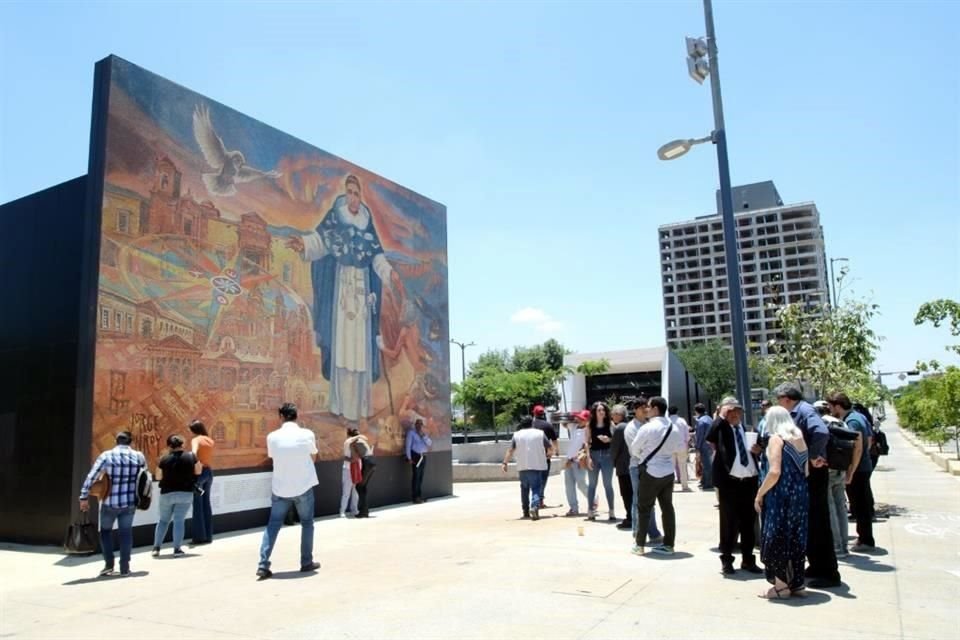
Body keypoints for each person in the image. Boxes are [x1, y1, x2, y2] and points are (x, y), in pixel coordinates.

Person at [286, 174, 404, 427]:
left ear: (361, 196)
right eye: (350, 192)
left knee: (360, 353)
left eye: (357, 193)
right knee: (342, 350)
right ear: (345, 194)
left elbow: (376, 257)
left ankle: (359, 408)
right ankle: (340, 406)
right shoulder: (336, 217)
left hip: (361, 297)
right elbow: (321, 241)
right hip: (342, 294)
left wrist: (390, 273)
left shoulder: (366, 223)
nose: (353, 197)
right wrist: (304, 244)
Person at [774, 382, 841, 589]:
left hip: (814, 475)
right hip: (806, 476)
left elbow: (821, 432)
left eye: (779, 401)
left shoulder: (804, 410)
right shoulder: (798, 412)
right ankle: (816, 566)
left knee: (818, 523)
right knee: (810, 522)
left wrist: (812, 456)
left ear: (786, 398)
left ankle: (829, 573)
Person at [256, 403, 320, 579]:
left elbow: (273, 456)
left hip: (281, 487)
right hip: (303, 486)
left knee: (273, 525)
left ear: (281, 417)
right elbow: (313, 456)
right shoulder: (307, 434)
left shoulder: (272, 437)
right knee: (307, 524)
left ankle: (263, 565)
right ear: (296, 416)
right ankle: (306, 562)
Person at [754, 406, 809, 599]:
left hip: (780, 496)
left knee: (776, 538)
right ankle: (798, 583)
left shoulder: (776, 439)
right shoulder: (799, 438)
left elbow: (774, 471)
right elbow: (806, 470)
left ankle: (781, 586)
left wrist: (760, 494)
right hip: (800, 495)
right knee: (796, 538)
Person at [78, 431, 147, 577]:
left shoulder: (106, 456)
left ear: (116, 441)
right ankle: (124, 567)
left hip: (109, 502)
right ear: (130, 442)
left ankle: (109, 564)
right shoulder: (139, 456)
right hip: (129, 503)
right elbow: (144, 479)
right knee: (126, 533)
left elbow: (92, 476)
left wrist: (84, 496)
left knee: (105, 532)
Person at [707, 396, 763, 575]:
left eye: (737, 413)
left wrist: (758, 450)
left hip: (749, 481)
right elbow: (710, 436)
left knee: (748, 523)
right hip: (729, 483)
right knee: (729, 523)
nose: (734, 416)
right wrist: (721, 416)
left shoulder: (748, 430)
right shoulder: (722, 429)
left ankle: (748, 559)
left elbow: (760, 449)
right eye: (730, 413)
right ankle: (727, 560)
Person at [629, 396, 684, 555]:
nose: (646, 409)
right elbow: (679, 448)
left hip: (650, 471)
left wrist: (643, 456)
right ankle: (668, 544)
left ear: (655, 408)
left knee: (644, 508)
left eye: (648, 406)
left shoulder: (647, 428)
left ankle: (639, 545)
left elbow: (634, 449)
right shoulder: (674, 427)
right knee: (667, 508)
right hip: (668, 471)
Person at [828, 393, 876, 551]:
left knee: (859, 505)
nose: (829, 409)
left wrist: (851, 471)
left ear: (838, 406)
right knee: (862, 503)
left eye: (831, 406)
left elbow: (857, 445)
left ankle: (865, 540)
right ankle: (864, 538)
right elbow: (868, 440)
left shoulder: (852, 421)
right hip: (863, 466)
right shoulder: (858, 416)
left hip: (858, 469)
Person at [814, 400, 856, 559]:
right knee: (841, 508)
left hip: (828, 469)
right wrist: (850, 469)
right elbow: (854, 444)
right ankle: (844, 546)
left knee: (830, 508)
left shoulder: (822, 423)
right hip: (842, 468)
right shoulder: (841, 423)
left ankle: (836, 547)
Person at [152, 434, 201, 557]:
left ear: (169, 446)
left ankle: (156, 548)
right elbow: (198, 470)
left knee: (163, 521)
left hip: (167, 493)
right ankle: (177, 549)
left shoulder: (164, 459)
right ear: (182, 445)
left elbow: (158, 476)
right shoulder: (191, 457)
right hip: (185, 493)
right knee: (179, 521)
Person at [625, 397, 663, 543]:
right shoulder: (631, 428)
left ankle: (652, 532)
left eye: (647, 407)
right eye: (642, 408)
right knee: (638, 500)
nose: (646, 410)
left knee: (648, 501)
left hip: (650, 466)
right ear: (635, 410)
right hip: (637, 467)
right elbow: (635, 451)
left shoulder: (650, 425)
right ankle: (638, 532)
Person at [501, 417, 552, 520]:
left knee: (524, 489)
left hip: (522, 466)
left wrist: (505, 463)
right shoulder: (540, 433)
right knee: (536, 488)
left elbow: (510, 450)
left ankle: (525, 511)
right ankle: (534, 506)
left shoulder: (517, 435)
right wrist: (548, 455)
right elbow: (550, 448)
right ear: (532, 423)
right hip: (536, 465)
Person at [586, 401, 617, 521]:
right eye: (599, 410)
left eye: (603, 410)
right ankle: (590, 510)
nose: (601, 412)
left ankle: (612, 511)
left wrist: (608, 439)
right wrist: (588, 458)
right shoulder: (590, 425)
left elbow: (616, 439)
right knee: (592, 484)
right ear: (594, 412)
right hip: (593, 455)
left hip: (607, 455)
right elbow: (586, 442)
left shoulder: (610, 424)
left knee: (608, 484)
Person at [189, 420, 215, 545]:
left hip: (199, 473)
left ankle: (199, 537)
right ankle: (208, 535)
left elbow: (193, 454)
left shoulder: (196, 440)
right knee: (206, 504)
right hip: (209, 472)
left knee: (197, 505)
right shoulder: (209, 440)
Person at [610, 404, 634, 530]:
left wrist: (611, 461)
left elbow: (614, 449)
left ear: (619, 415)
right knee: (632, 492)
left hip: (623, 465)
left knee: (626, 493)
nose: (612, 416)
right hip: (632, 464)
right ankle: (632, 516)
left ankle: (630, 517)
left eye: (613, 414)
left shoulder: (619, 428)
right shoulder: (630, 425)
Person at [563, 410, 590, 516]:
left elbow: (586, 447)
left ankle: (593, 500)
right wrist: (572, 415)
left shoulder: (588, 430)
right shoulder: (574, 427)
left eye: (582, 418)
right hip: (569, 460)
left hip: (579, 461)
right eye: (579, 418)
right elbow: (564, 423)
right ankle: (573, 508)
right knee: (569, 486)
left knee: (581, 484)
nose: (579, 420)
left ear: (587, 420)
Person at [531, 405, 559, 504]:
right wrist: (556, 451)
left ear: (534, 413)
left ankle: (535, 498)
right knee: (543, 478)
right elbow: (554, 441)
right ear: (543, 414)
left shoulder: (530, 425)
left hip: (532, 455)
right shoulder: (548, 425)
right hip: (545, 456)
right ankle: (540, 499)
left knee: (534, 478)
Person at [348, 430, 376, 518]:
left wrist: (347, 459)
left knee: (359, 487)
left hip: (367, 462)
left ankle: (363, 511)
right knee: (362, 487)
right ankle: (365, 511)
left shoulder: (352, 443)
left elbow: (354, 458)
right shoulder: (363, 440)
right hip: (372, 461)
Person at [405, 418, 433, 504]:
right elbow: (408, 446)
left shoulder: (424, 433)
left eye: (421, 424)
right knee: (416, 477)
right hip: (416, 457)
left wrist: (423, 436)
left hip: (423, 456)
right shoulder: (411, 433)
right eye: (418, 424)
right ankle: (415, 497)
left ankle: (419, 496)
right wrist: (409, 458)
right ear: (415, 424)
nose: (419, 426)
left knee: (421, 477)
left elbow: (430, 443)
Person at [669, 406, 691, 491]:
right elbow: (687, 435)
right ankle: (684, 485)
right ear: (677, 411)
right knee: (683, 466)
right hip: (681, 446)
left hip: (670, 447)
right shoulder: (682, 421)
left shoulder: (667, 421)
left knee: (670, 468)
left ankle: (671, 486)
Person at [340, 427, 361, 517]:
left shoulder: (358, 442)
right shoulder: (348, 441)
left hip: (357, 469)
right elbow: (351, 441)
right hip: (348, 469)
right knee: (346, 492)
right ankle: (342, 511)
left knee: (355, 492)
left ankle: (354, 510)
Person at [694, 403, 715, 491]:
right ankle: (705, 481)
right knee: (709, 464)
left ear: (696, 411)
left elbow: (700, 436)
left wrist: (697, 447)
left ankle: (708, 484)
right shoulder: (710, 419)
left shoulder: (701, 421)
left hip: (704, 445)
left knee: (706, 465)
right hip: (711, 445)